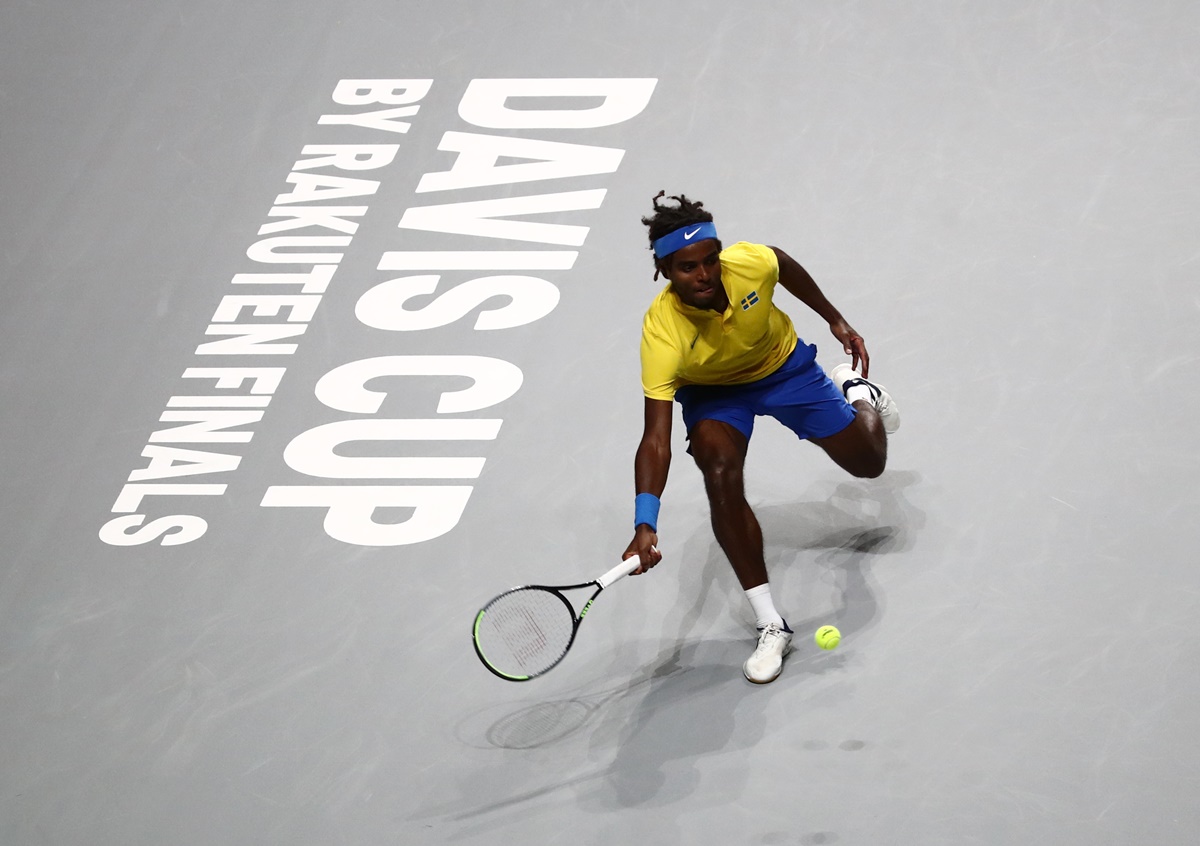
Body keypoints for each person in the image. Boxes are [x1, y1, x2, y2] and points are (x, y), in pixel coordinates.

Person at [621, 191, 900, 684]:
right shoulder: (661, 333)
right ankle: (771, 622)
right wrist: (646, 523)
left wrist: (834, 318)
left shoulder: (747, 262)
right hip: (714, 396)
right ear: (664, 270)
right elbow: (656, 440)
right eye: (688, 268)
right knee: (718, 469)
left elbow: (783, 265)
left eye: (710, 261)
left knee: (869, 463)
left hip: (783, 369)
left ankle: (857, 390)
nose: (704, 275)